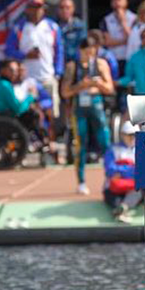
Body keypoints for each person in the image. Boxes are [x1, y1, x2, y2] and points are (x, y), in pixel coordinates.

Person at [61, 37, 115, 195]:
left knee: (105, 142)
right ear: (81, 51)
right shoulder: (73, 67)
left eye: (93, 52)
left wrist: (97, 84)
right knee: (80, 144)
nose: (90, 55)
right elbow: (65, 92)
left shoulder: (100, 64)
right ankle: (81, 181)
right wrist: (81, 85)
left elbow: (110, 88)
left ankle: (111, 177)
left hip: (96, 103)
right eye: (86, 52)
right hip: (80, 107)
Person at [5, 0, 64, 121]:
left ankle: (50, 138)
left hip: (47, 77)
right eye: (33, 8)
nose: (37, 11)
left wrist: (58, 73)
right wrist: (25, 55)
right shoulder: (19, 27)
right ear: (27, 10)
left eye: (40, 8)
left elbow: (59, 51)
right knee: (29, 112)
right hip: (27, 80)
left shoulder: (52, 26)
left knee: (51, 112)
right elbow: (9, 50)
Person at [103, 121, 142, 223]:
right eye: (129, 135)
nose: (132, 138)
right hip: (113, 187)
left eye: (135, 135)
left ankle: (122, 209)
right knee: (113, 198)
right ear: (122, 135)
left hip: (133, 187)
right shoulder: (113, 149)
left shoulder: (141, 150)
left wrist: (121, 172)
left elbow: (142, 170)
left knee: (139, 192)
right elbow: (110, 169)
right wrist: (131, 171)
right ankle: (120, 210)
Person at [0, 59, 40, 131]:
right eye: (11, 70)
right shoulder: (5, 85)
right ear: (3, 70)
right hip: (6, 118)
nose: (15, 73)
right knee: (33, 114)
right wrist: (30, 97)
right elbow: (18, 109)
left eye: (16, 71)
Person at [100, 0, 136, 76]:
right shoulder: (106, 20)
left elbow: (134, 39)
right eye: (114, 0)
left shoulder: (134, 18)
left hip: (130, 58)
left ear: (126, 2)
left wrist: (123, 22)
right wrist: (125, 41)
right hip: (113, 58)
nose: (117, 3)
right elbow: (107, 42)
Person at [56, 0, 87, 64]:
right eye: (61, 8)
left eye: (68, 8)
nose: (64, 10)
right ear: (58, 9)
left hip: (72, 62)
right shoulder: (52, 25)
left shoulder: (79, 26)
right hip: (55, 62)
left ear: (73, 9)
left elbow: (83, 48)